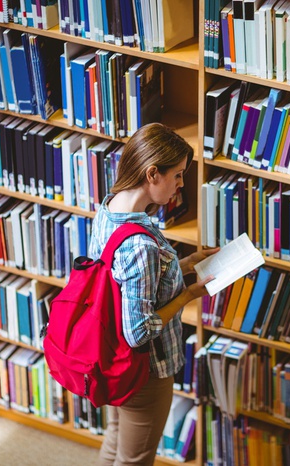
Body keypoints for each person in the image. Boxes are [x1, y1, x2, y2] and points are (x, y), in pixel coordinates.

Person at [88, 123, 217, 466]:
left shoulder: (110, 208)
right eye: (177, 175)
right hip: (145, 371)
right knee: (136, 459)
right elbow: (140, 331)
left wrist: (185, 263)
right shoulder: (141, 244)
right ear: (152, 173)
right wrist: (188, 295)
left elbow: (123, 283)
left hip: (110, 356)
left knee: (116, 443)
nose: (180, 185)